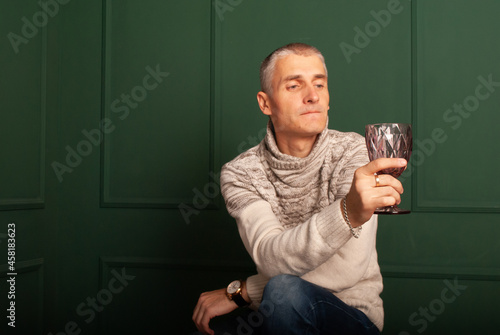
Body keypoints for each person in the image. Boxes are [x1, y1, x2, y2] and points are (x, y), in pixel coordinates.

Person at [192, 43, 406, 335]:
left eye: (320, 84)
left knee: (282, 291)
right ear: (265, 103)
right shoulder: (241, 173)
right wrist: (348, 213)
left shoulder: (354, 152)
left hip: (353, 316)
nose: (313, 96)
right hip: (276, 310)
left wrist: (244, 291)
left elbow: (347, 268)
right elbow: (268, 257)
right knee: (216, 326)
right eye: (294, 86)